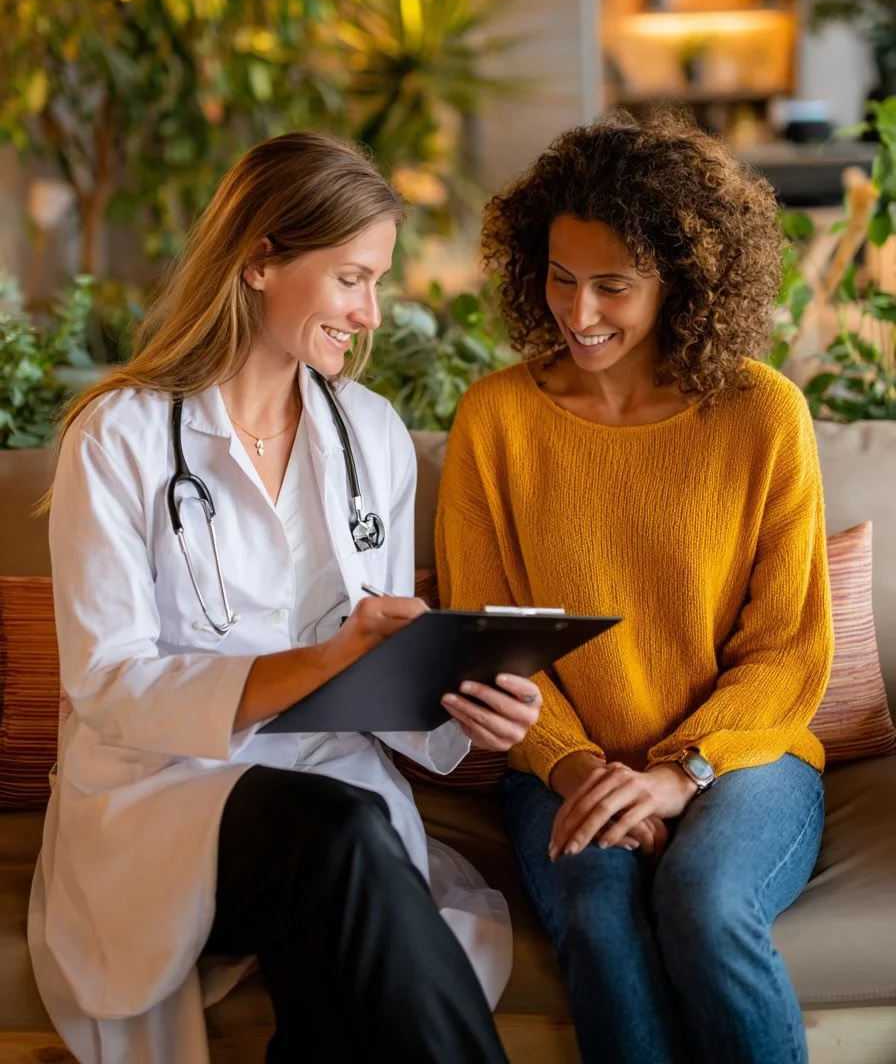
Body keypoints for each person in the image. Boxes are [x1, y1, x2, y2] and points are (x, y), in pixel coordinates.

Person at [28, 131, 543, 1064]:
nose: (372, 314)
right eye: (351, 279)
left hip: (331, 794)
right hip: (161, 800)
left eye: (377, 283)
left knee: (341, 899)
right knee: (336, 835)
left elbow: (377, 664)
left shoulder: (371, 434)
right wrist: (323, 660)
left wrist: (461, 700)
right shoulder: (121, 437)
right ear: (261, 259)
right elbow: (108, 684)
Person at [435, 110, 834, 1064]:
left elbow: (787, 648)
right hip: (565, 760)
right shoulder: (495, 421)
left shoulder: (763, 415)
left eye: (613, 286)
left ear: (683, 282)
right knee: (599, 914)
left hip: (742, 758)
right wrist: (581, 769)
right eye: (561, 279)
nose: (580, 314)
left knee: (703, 899)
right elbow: (488, 645)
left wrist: (675, 777)